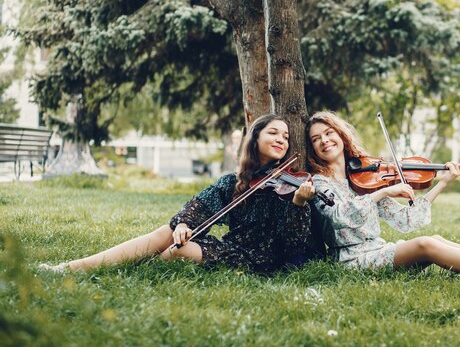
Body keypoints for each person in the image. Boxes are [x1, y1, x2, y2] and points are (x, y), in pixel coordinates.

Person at [39, 114, 316, 275]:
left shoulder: (290, 187)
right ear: (255, 138)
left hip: (260, 259)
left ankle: (130, 273)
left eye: (286, 136)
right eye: (274, 133)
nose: (282, 139)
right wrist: (183, 223)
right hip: (231, 246)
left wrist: (299, 203)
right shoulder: (236, 181)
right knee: (169, 232)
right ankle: (74, 267)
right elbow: (199, 204)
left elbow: (293, 243)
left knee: (176, 252)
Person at [305, 111, 460, 283]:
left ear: (341, 135)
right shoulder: (319, 183)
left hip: (377, 251)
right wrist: (383, 192)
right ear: (313, 149)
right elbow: (337, 217)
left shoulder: (363, 179)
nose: (324, 141)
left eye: (329, 133)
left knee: (434, 239)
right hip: (352, 261)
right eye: (316, 139)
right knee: (425, 244)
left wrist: (442, 182)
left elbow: (406, 221)